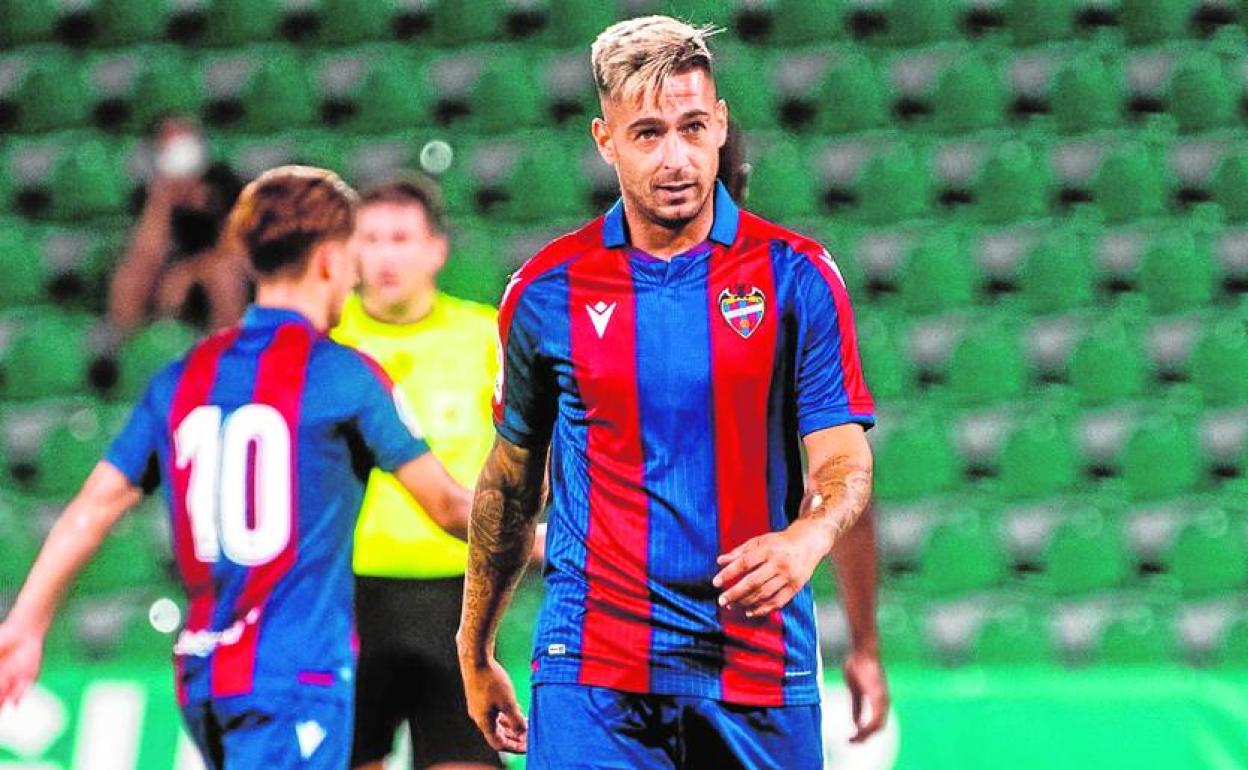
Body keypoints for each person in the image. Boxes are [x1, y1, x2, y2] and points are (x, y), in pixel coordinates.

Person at [457, 16, 889, 770]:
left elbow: (843, 460)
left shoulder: (796, 276)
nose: (677, 158)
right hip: (593, 670)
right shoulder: (546, 291)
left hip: (757, 666)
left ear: (720, 124)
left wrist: (807, 537)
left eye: (693, 127)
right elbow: (510, 480)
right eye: (649, 133)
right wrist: (474, 644)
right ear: (605, 139)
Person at [0, 165, 473, 770]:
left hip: (205, 676)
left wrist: (26, 622)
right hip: (293, 674)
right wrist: (553, 542)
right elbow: (450, 508)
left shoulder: (183, 376)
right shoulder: (342, 375)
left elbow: (93, 508)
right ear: (330, 261)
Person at [331, 177, 503, 770]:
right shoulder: (326, 343)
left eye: (401, 238)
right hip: (347, 594)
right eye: (371, 239)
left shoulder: (486, 337)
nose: (385, 255)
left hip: (459, 594)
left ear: (435, 249)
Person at [109, 116, 249, 335]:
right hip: (168, 278)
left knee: (223, 273)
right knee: (131, 274)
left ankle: (228, 356)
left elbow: (236, 250)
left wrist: (189, 272)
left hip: (219, 272)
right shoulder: (149, 194)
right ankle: (134, 352)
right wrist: (162, 201)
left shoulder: (224, 184)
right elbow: (147, 254)